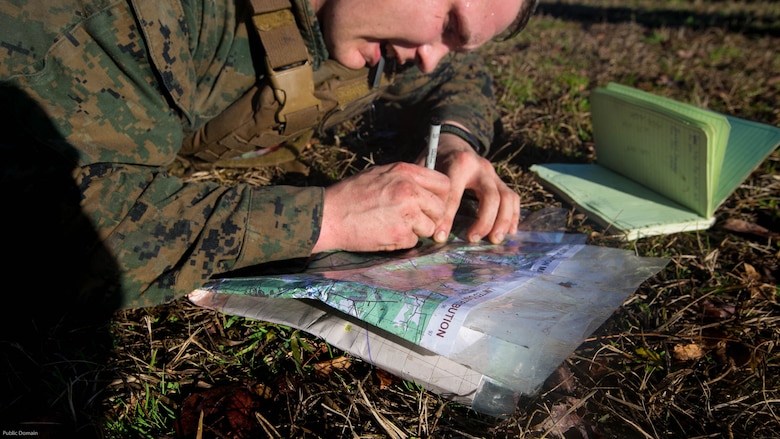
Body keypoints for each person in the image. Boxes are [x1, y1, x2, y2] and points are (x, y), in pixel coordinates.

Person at [0, 0, 537, 309]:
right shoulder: (129, 14)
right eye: (446, 25)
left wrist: (458, 142)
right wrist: (325, 220)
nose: (429, 60)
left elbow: (457, 74)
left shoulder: (361, 23)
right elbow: (50, 233)